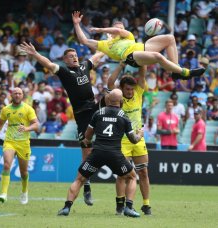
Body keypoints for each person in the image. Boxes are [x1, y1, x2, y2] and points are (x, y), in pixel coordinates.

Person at [20, 42, 106, 206]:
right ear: (65, 60)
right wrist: (35, 54)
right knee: (86, 154)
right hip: (81, 115)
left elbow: (98, 55)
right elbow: (50, 64)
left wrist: (110, 44)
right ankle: (86, 185)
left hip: (94, 107)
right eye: (71, 56)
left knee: (113, 95)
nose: (75, 57)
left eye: (75, 55)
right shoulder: (65, 71)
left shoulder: (85, 66)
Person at [57, 89, 143, 217]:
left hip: (97, 153)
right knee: (131, 177)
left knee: (79, 179)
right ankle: (128, 207)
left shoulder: (98, 113)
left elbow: (87, 135)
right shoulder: (124, 116)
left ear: (108, 100)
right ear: (121, 101)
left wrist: (86, 141)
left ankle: (66, 207)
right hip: (115, 155)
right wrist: (140, 134)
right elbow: (133, 140)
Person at [72, 11, 205, 81]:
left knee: (170, 38)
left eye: (122, 27)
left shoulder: (128, 35)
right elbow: (84, 40)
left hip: (143, 48)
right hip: (131, 58)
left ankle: (176, 72)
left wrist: (101, 30)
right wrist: (77, 24)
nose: (120, 29)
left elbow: (118, 31)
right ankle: (185, 72)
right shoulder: (104, 44)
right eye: (117, 27)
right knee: (158, 56)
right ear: (110, 31)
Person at [108, 63, 152, 215]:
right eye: (127, 89)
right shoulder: (117, 98)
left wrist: (140, 57)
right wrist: (121, 64)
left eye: (132, 89)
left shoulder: (138, 92)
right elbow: (110, 83)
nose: (130, 91)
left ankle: (146, 205)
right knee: (123, 175)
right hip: (122, 140)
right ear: (121, 89)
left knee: (144, 173)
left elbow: (142, 73)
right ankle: (120, 204)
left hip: (138, 139)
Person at [0, 87, 39, 204]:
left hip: (23, 143)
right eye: (15, 93)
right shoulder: (6, 109)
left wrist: (27, 128)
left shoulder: (28, 109)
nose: (17, 95)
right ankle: (4, 193)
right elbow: (0, 123)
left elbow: (36, 125)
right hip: (10, 141)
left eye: (19, 93)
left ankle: (24, 191)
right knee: (6, 165)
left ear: (22, 96)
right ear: (11, 95)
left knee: (23, 172)